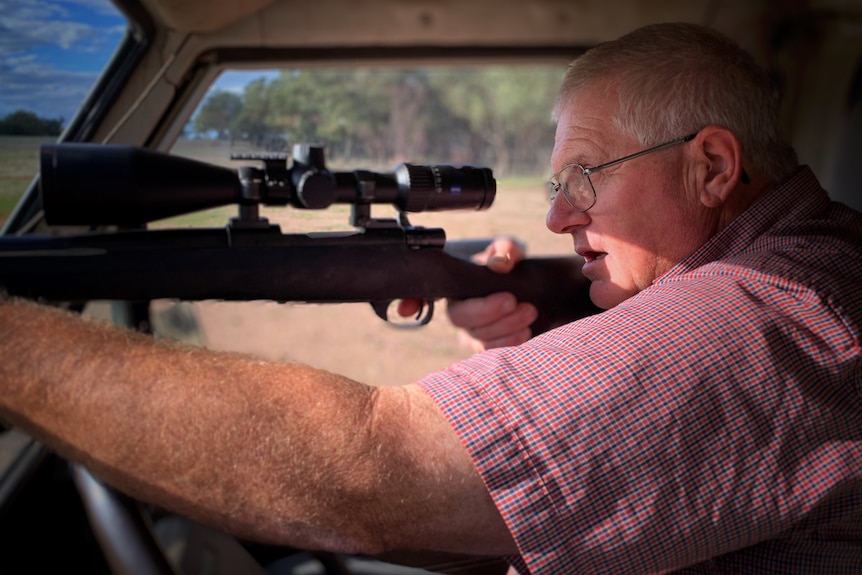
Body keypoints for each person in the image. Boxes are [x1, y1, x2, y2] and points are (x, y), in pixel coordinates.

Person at [2, 21, 861, 574]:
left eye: (587, 177)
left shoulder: (775, 310)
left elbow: (370, 469)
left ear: (711, 166)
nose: (559, 213)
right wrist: (530, 359)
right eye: (559, 181)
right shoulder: (800, 271)